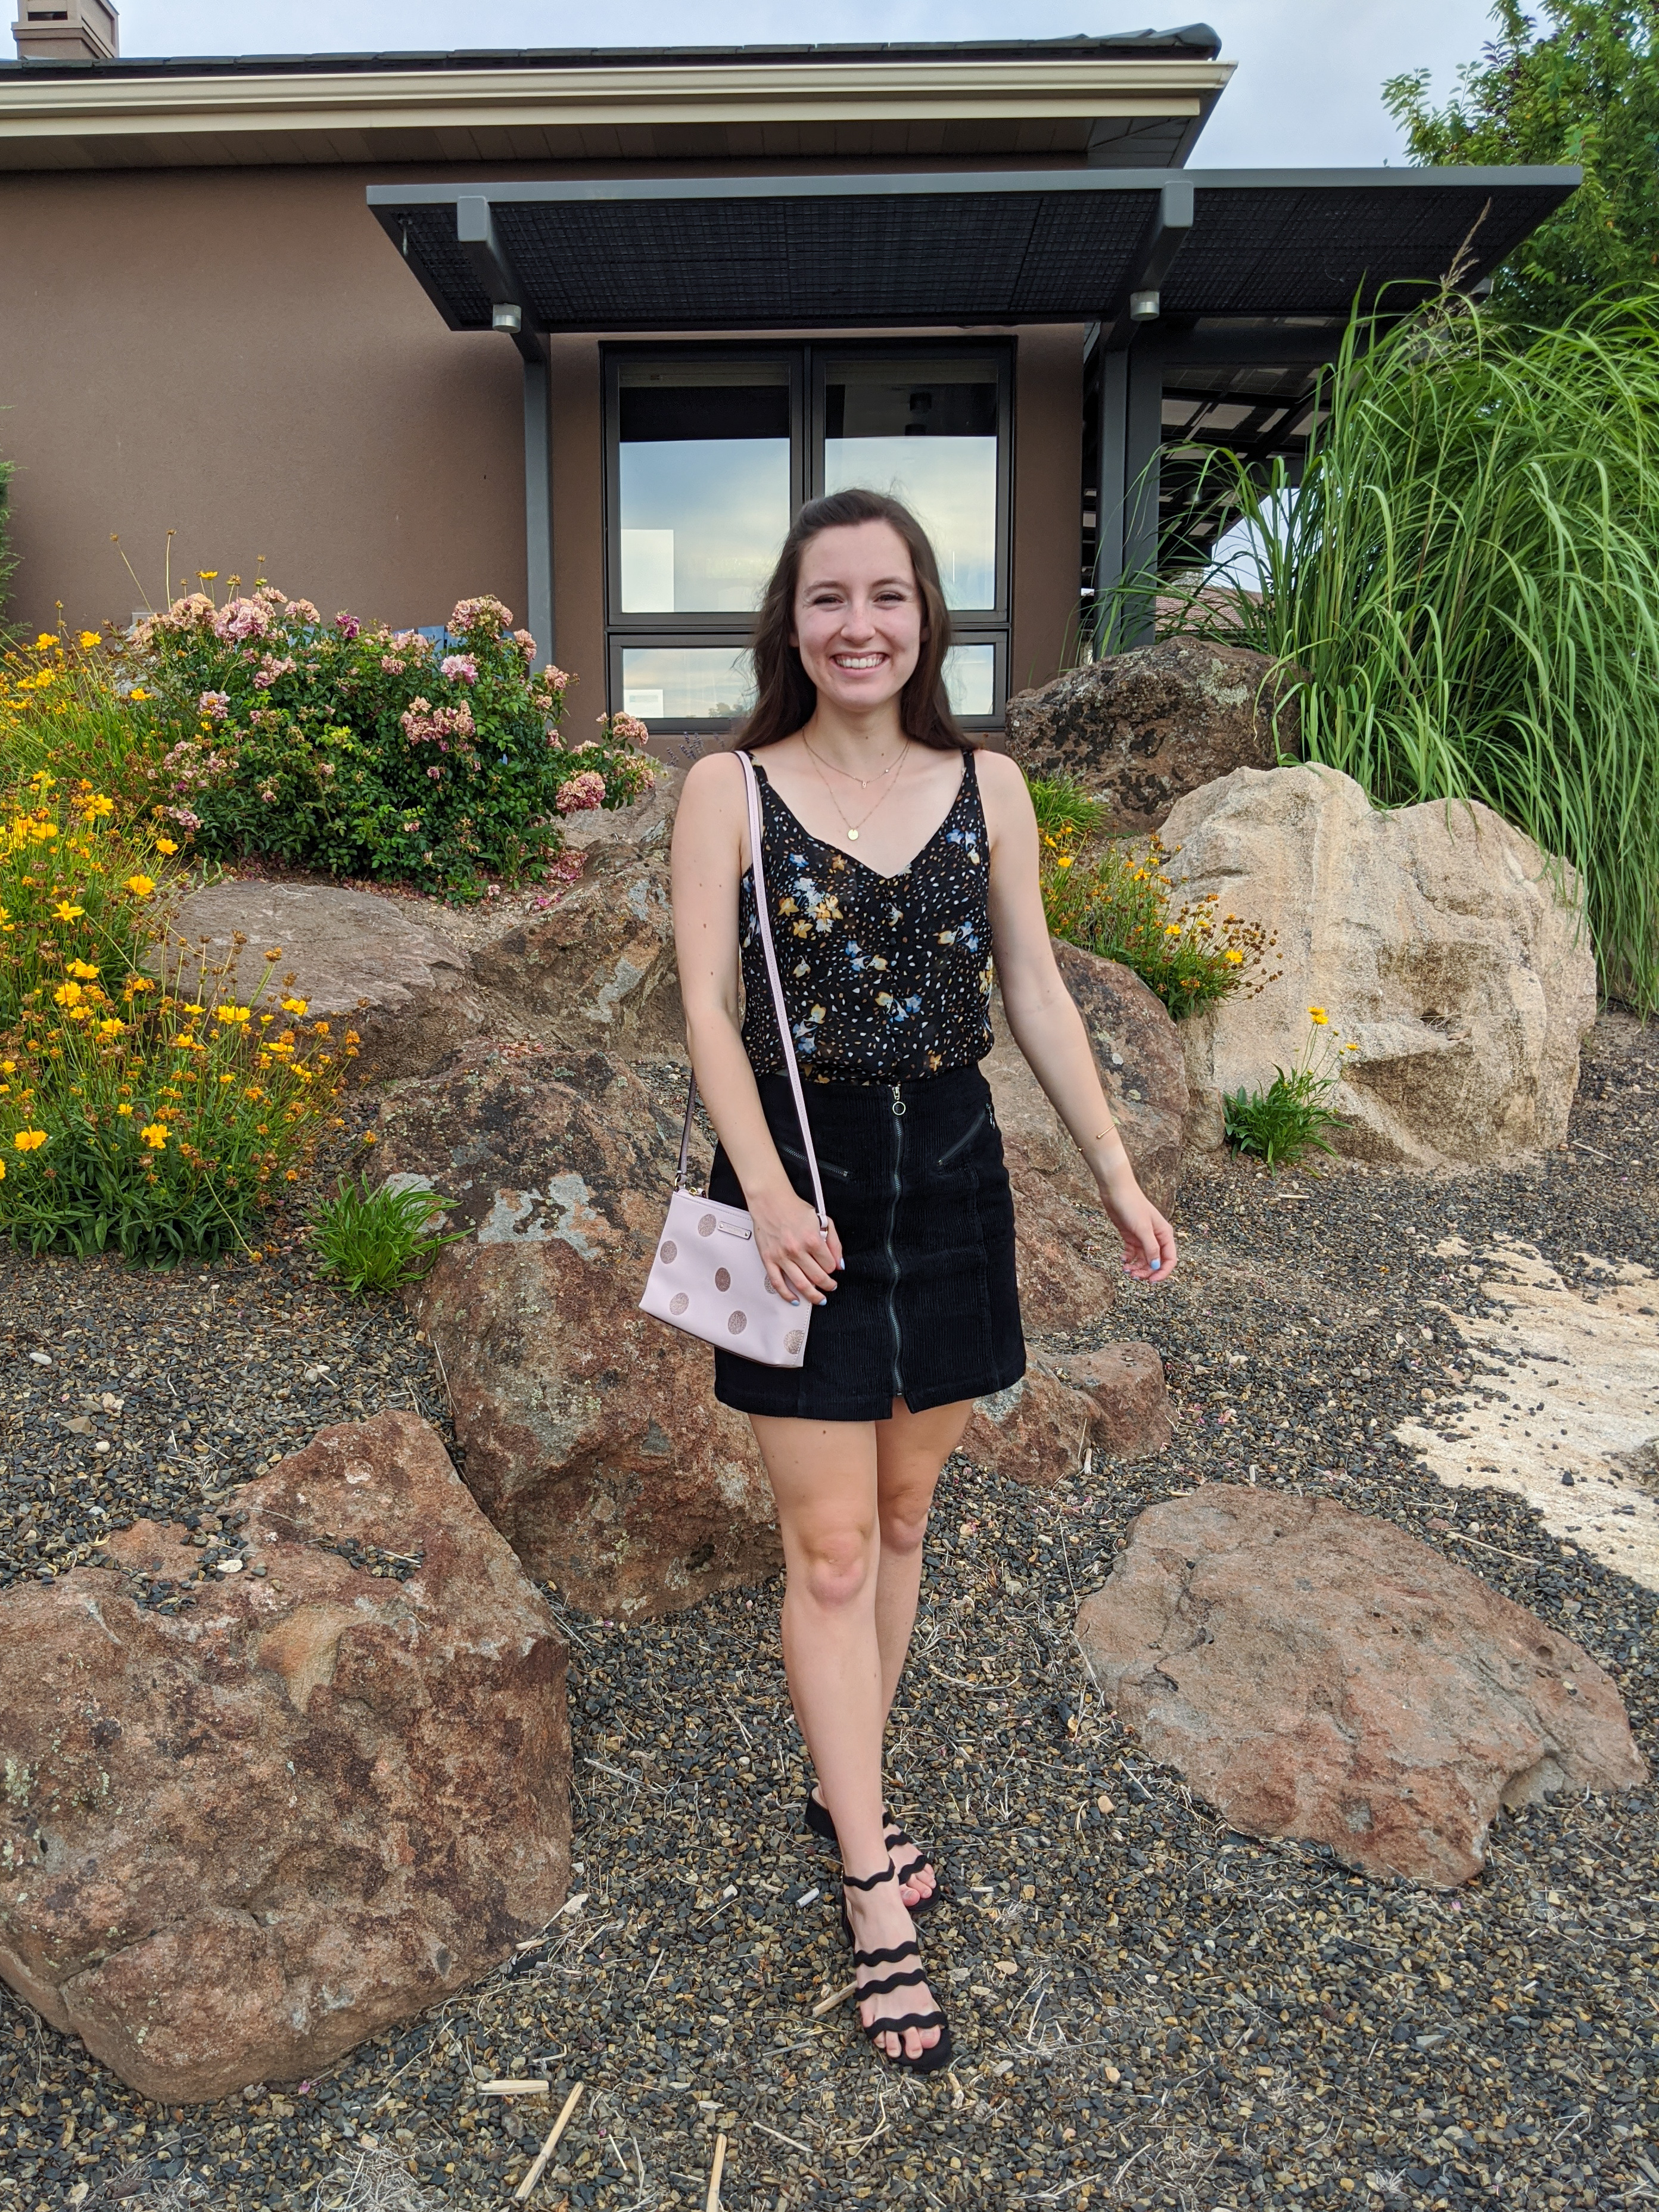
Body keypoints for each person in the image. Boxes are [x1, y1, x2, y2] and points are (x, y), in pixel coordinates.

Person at [670, 487, 1178, 2074]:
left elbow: (1033, 987)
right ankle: (869, 1884)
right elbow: (705, 1012)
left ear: (925, 615)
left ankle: (856, 1784)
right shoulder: (728, 790)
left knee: (901, 1520)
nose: (859, 626)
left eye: (886, 596)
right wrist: (766, 1194)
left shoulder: (987, 786)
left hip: (952, 1179)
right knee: (828, 1553)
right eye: (828, 598)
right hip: (801, 1194)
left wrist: (1116, 1174)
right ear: (790, 618)